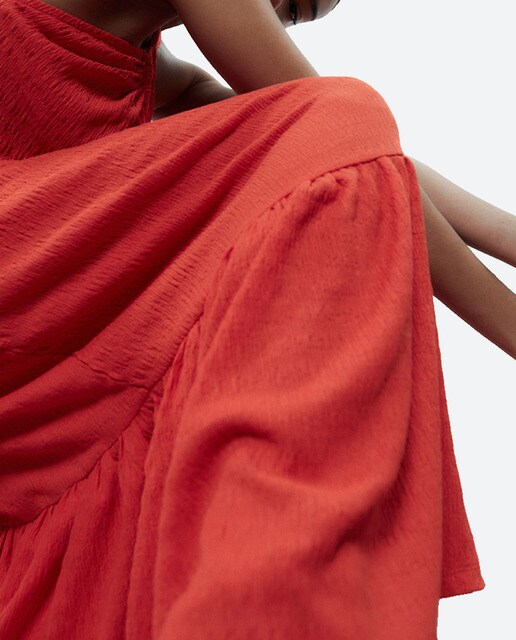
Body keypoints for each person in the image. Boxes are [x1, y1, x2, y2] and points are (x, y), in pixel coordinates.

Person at [0, 1, 512, 639]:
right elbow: (335, 128)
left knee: (335, 143)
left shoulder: (159, 73)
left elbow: (368, 153)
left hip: (34, 337)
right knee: (339, 122)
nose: (272, 17)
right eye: (287, 3)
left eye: (294, 17)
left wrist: (508, 234)